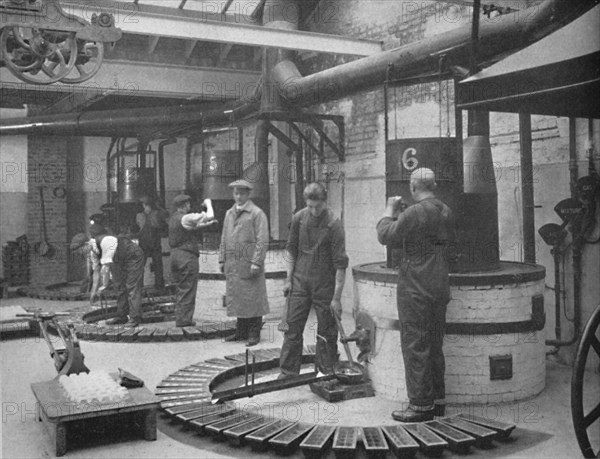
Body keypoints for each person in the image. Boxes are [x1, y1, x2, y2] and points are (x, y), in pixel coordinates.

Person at [376, 167, 455, 422]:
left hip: (415, 289)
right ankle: (437, 401)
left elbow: (385, 235)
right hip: (438, 286)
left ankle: (420, 406)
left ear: (413, 185)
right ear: (433, 185)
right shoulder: (445, 210)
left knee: (415, 346)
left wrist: (389, 211)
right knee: (434, 345)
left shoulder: (414, 212)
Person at [279, 182, 349, 378]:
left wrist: (336, 297)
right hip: (300, 281)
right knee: (292, 327)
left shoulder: (334, 224)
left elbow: (341, 265)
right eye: (310, 206)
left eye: (318, 206)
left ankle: (325, 372)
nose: (314, 210)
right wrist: (288, 279)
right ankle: (288, 372)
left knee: (326, 330)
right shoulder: (299, 219)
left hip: (324, 284)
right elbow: (291, 251)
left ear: (325, 202)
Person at [219, 179, 269, 347]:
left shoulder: (257, 213)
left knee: (253, 298)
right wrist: (221, 258)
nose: (238, 196)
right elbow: (224, 237)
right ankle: (241, 331)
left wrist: (256, 262)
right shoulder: (229, 214)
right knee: (238, 297)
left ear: (248, 194)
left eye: (241, 193)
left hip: (249, 264)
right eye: (236, 193)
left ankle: (254, 333)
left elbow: (262, 240)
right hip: (233, 264)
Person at [169, 194, 216, 327]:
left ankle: (181, 317)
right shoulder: (186, 217)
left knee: (181, 288)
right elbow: (210, 215)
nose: (190, 206)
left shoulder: (174, 219)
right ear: (184, 206)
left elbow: (192, 227)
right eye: (188, 204)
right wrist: (208, 204)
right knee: (188, 288)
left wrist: (208, 224)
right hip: (186, 257)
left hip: (175, 256)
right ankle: (184, 321)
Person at [88, 223, 145, 327]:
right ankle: (121, 315)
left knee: (132, 287)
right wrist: (93, 292)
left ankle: (134, 318)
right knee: (119, 286)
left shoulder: (107, 241)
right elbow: (96, 272)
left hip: (133, 256)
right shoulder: (93, 249)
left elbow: (105, 269)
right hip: (117, 259)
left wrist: (103, 286)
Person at [136, 196, 169, 289]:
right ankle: (159, 285)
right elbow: (164, 220)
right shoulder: (157, 214)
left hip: (145, 243)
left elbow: (139, 226)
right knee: (158, 264)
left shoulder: (140, 216)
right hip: (154, 242)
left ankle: (139, 285)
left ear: (144, 205)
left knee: (141, 265)